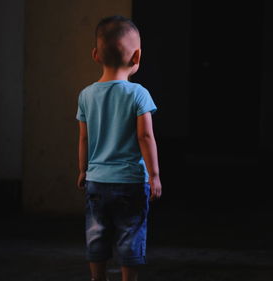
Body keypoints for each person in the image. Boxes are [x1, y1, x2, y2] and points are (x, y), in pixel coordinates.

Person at [75, 15, 162, 281]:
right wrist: (154, 174)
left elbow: (84, 139)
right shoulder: (138, 94)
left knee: (97, 233)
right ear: (137, 56)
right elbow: (145, 136)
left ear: (95, 55)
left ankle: (97, 277)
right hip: (131, 183)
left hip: (97, 181)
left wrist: (83, 169)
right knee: (130, 233)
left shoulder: (86, 94)